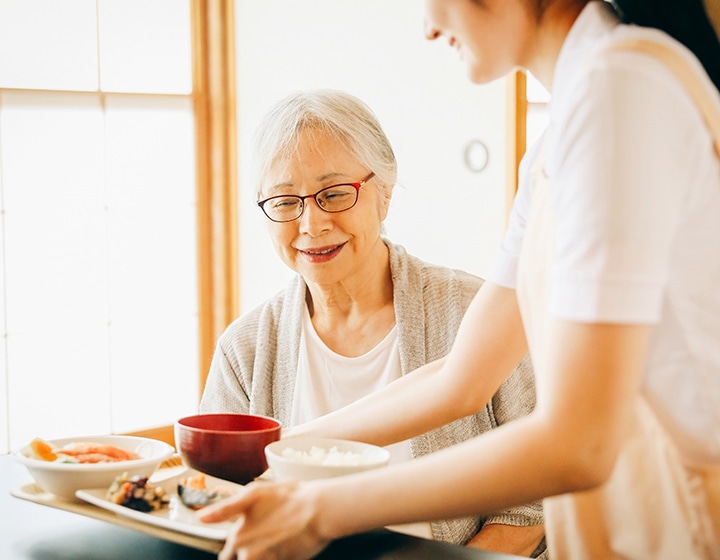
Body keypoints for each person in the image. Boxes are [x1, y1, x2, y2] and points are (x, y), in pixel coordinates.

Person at [198, 1, 720, 559]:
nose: (429, 25)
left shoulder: (619, 91)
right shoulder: (562, 133)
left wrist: (319, 509)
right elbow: (460, 378)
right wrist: (278, 448)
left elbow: (580, 442)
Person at [198, 88, 547, 556]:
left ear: (384, 191)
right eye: (285, 202)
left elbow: (531, 508)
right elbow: (216, 502)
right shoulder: (245, 350)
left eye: (335, 194)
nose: (311, 224)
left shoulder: (473, 313)